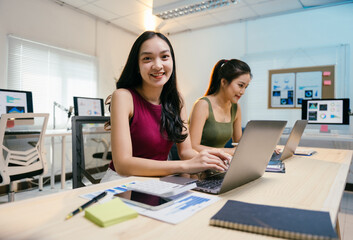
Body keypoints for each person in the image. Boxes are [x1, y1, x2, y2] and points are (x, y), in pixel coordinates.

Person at [101, 31, 230, 182]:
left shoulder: (176, 100)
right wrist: (186, 166)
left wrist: (213, 162)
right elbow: (123, 164)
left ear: (172, 61)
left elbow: (186, 151)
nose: (157, 65)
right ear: (137, 65)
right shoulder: (123, 97)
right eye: (147, 58)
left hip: (158, 183)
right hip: (121, 182)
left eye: (164, 57)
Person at [188, 59, 252, 156]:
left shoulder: (235, 108)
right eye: (240, 85)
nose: (242, 92)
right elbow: (193, 146)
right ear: (224, 82)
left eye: (245, 87)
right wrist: (229, 151)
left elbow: (239, 145)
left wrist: (264, 147)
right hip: (199, 165)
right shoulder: (202, 105)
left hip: (221, 164)